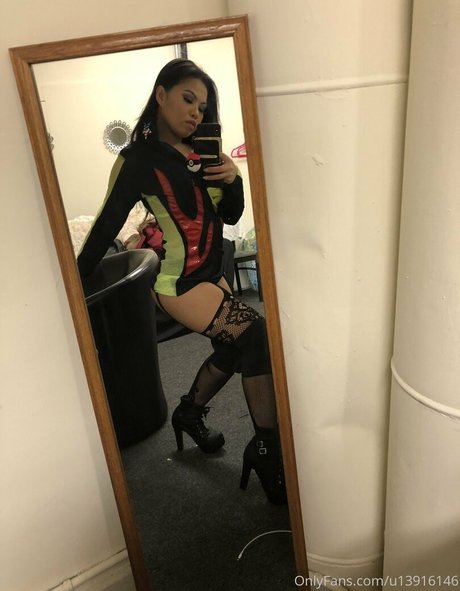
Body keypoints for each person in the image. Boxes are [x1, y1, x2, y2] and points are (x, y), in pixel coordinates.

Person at [77, 58, 286, 505]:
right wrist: (73, 289)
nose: (195, 112)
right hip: (181, 283)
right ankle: (267, 450)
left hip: (213, 276)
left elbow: (229, 214)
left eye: (203, 107)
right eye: (188, 99)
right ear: (161, 95)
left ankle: (188, 413)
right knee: (257, 335)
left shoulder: (202, 156)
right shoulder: (137, 160)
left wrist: (234, 179)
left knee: (233, 348)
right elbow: (106, 225)